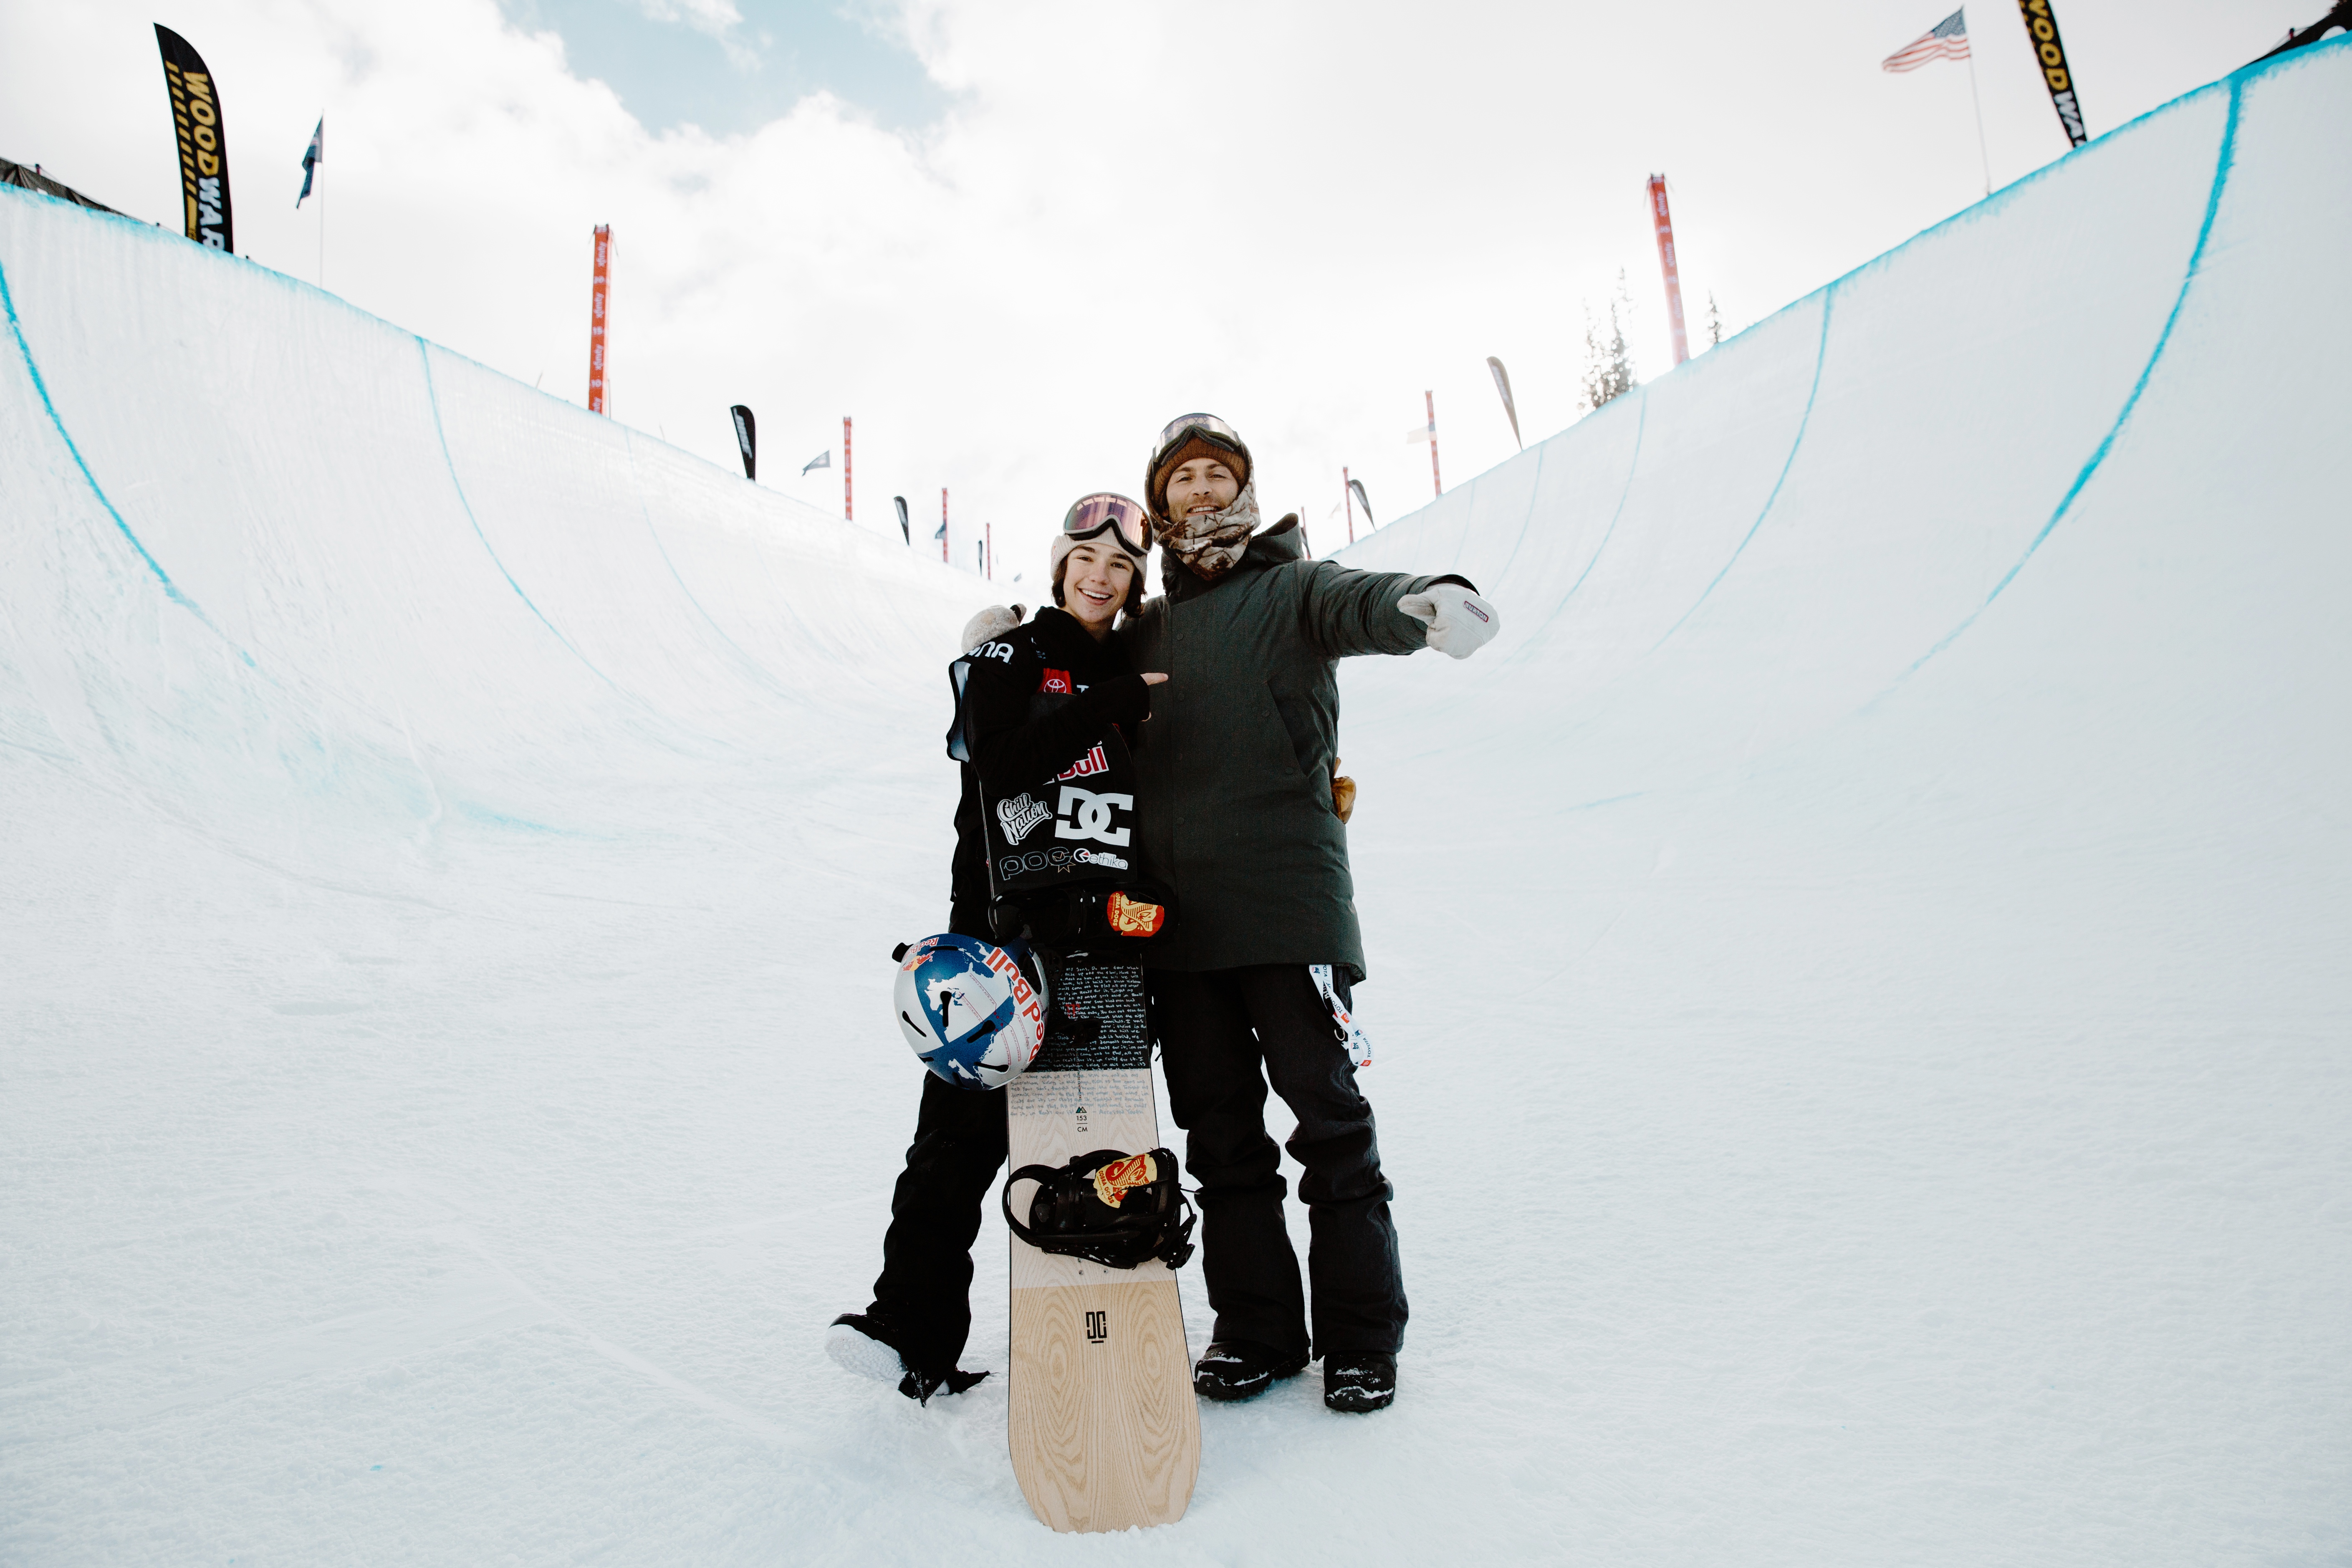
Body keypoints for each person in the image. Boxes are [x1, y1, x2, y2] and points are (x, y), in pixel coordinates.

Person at [1119, 413, 1498, 1414]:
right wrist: (1004, 651)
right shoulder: (1144, 630)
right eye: (1183, 479)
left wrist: (1424, 602)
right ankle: (1257, 1331)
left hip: (1288, 908)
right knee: (1221, 1140)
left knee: (1328, 1122)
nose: (1200, 491)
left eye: (1217, 475)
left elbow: (1361, 602)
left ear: (1240, 489)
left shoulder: (1293, 587)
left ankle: (1363, 1339)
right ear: (1161, 504)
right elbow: (1063, 662)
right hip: (1182, 930)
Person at [829, 493, 1166, 1402]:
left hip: (1103, 942)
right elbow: (1000, 756)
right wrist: (1106, 703)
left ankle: (1110, 1335)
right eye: (1086, 561)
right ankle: (911, 1324)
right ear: (1059, 566)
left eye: (1121, 568)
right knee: (955, 1140)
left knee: (1099, 1146)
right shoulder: (1009, 651)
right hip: (999, 940)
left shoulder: (1134, 673)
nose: (1101, 577)